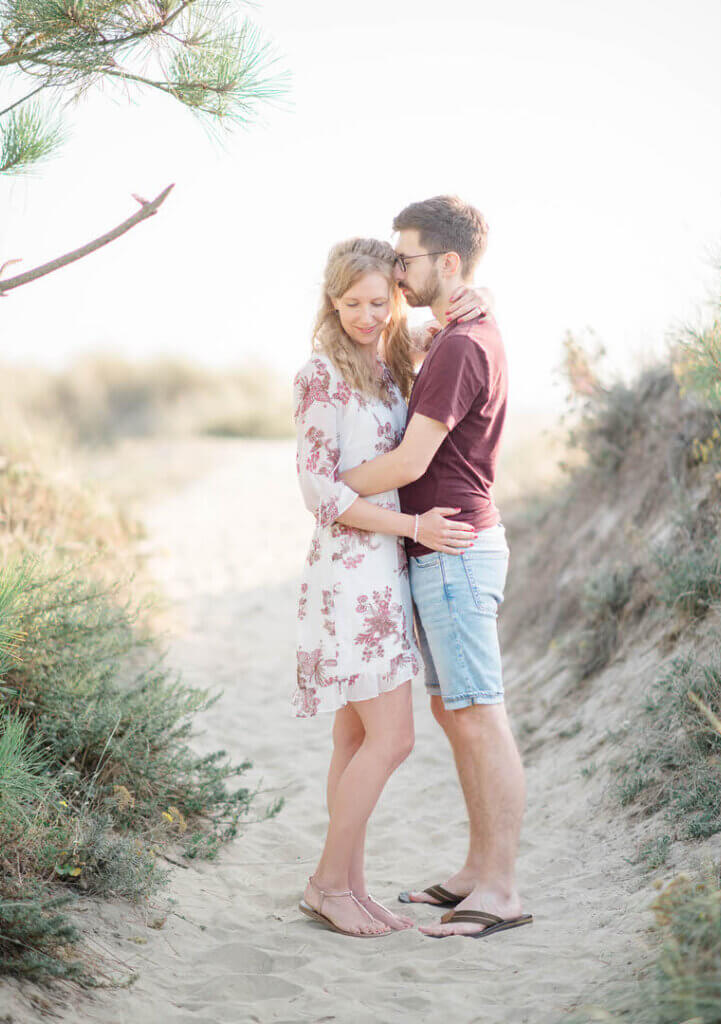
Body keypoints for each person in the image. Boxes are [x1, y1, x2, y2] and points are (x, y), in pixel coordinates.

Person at [340, 196, 533, 939]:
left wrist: (332, 484)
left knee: (479, 713)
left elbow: (415, 458)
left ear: (447, 263)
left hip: (454, 552)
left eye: (406, 257)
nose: (396, 269)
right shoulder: (459, 330)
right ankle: (475, 871)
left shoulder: (461, 343)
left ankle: (503, 889)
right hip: (442, 551)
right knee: (457, 713)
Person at [294, 237, 489, 938]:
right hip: (351, 572)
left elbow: (466, 322)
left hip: (382, 568)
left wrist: (482, 297)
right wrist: (410, 526)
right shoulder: (321, 375)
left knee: (353, 738)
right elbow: (317, 489)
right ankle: (325, 883)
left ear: (396, 298)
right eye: (353, 304)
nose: (368, 315)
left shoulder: (395, 365)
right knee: (394, 738)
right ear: (333, 301)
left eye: (380, 302)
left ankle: (350, 884)